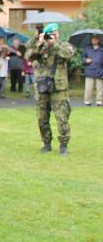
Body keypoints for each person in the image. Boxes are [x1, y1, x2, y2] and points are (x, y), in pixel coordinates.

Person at [25, 23, 75, 156]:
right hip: (42, 87)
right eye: (51, 33)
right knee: (42, 118)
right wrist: (39, 44)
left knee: (62, 117)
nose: (54, 35)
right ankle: (46, 143)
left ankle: (63, 145)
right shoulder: (41, 46)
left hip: (59, 89)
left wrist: (55, 44)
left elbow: (68, 54)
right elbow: (28, 57)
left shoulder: (64, 45)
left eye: (56, 33)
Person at [82, 34, 103, 106]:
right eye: (93, 39)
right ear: (91, 40)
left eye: (96, 39)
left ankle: (99, 102)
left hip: (100, 71)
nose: (94, 40)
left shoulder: (102, 49)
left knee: (100, 89)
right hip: (89, 71)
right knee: (88, 88)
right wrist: (85, 60)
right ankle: (88, 102)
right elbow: (82, 58)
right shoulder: (87, 48)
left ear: (98, 40)